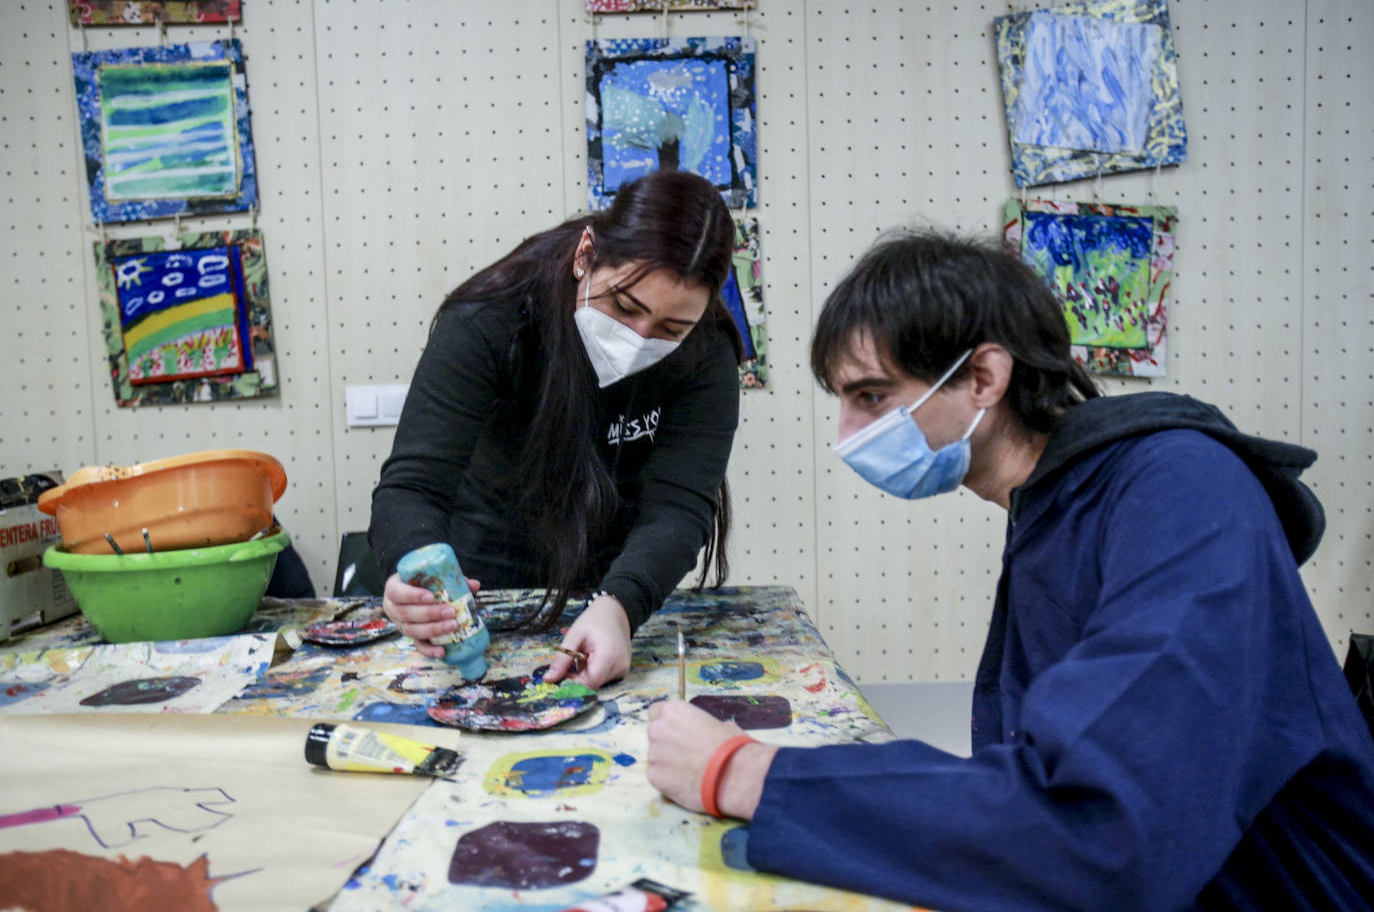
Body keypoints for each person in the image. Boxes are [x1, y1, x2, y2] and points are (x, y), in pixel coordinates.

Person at [646, 231, 1374, 909]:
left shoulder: (1181, 489)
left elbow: (1099, 829)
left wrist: (744, 774)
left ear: (986, 376)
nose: (848, 438)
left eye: (871, 396)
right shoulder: (1056, 502)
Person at [370, 171, 742, 688]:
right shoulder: (490, 319)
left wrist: (621, 606)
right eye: (624, 306)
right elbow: (412, 486)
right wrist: (412, 576)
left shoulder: (708, 351)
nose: (639, 340)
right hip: (487, 579)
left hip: (621, 577)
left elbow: (679, 506)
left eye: (670, 329)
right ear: (585, 254)